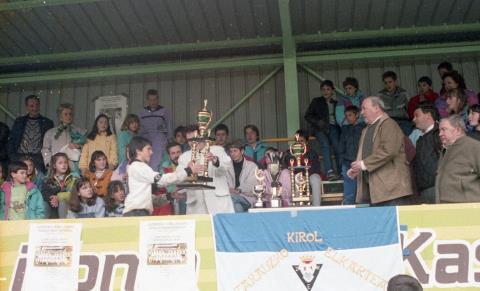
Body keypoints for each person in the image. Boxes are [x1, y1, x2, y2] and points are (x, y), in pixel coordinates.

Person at [348, 96, 413, 206]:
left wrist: (364, 164)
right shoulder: (366, 130)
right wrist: (358, 168)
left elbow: (389, 150)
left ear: (376, 108)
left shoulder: (389, 124)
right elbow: (366, 155)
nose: (362, 113)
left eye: (364, 108)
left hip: (392, 191)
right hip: (376, 192)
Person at [124, 136, 199, 216]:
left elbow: (148, 198)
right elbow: (162, 180)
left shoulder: (136, 167)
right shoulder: (138, 166)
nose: (151, 152)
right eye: (148, 149)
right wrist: (188, 171)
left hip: (138, 212)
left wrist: (169, 196)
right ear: (138, 151)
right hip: (136, 213)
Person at [176, 125, 235, 215]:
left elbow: (226, 167)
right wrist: (187, 171)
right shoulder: (184, 157)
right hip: (196, 207)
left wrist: (215, 160)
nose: (193, 142)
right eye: (189, 140)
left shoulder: (217, 150)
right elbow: (179, 180)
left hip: (219, 203)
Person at [436, 115, 480, 203]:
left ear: (457, 130)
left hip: (467, 206)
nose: (440, 134)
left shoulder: (474, 146)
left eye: (444, 129)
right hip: (446, 206)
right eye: (439, 130)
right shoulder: (446, 149)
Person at [304, 80, 341, 180]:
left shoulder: (336, 103)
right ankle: (329, 171)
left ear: (332, 91)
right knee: (325, 145)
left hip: (333, 127)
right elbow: (307, 115)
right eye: (323, 89)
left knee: (337, 147)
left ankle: (341, 171)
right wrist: (318, 122)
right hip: (319, 128)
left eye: (328, 89)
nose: (325, 91)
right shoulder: (316, 101)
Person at [8, 95, 54, 172]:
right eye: (31, 106)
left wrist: (45, 159)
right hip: (20, 156)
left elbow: (50, 143)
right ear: (26, 107)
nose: (35, 108)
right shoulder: (19, 121)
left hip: (38, 158)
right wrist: (13, 156)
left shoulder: (47, 123)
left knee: (40, 180)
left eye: (36, 105)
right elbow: (12, 140)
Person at [42, 103, 86, 173]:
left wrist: (78, 146)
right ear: (60, 117)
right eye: (65, 114)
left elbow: (87, 147)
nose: (69, 116)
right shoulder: (50, 133)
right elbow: (45, 149)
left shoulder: (80, 132)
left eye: (70, 114)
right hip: (56, 169)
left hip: (75, 168)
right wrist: (49, 163)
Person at [412, 102, 442, 204]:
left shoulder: (440, 134)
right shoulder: (420, 139)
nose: (414, 119)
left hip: (438, 188)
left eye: (417, 115)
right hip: (425, 190)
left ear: (429, 116)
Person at [284, 129, 323, 206]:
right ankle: (297, 209)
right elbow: (287, 167)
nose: (299, 143)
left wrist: (305, 176)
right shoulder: (289, 152)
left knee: (316, 178)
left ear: (306, 142)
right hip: (294, 177)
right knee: (292, 180)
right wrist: (298, 176)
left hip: (309, 176)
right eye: (297, 140)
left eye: (301, 141)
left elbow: (316, 169)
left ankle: (316, 207)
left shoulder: (312, 153)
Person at [338, 106, 365, 205]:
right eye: (346, 116)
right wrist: (341, 163)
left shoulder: (364, 128)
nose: (348, 118)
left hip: (361, 163)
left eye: (350, 115)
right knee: (349, 194)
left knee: (363, 193)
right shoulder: (345, 129)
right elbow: (341, 146)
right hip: (347, 163)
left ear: (357, 115)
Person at [138, 89, 171, 170]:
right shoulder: (142, 112)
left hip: (159, 140)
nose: (153, 102)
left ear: (158, 99)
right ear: (147, 100)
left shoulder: (164, 111)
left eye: (155, 99)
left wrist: (169, 141)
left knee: (157, 161)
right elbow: (139, 128)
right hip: (145, 139)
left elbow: (169, 126)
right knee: (145, 160)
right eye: (151, 100)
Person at [42, 153, 78, 218]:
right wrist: (53, 199)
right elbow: (44, 193)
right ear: (54, 166)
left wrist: (58, 197)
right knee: (44, 204)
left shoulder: (74, 177)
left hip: (70, 205)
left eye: (65, 162)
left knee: (62, 202)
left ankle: (64, 224)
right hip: (54, 206)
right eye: (60, 163)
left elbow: (75, 193)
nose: (64, 165)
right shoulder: (48, 179)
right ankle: (44, 225)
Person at [226, 140, 258, 212]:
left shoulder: (252, 166)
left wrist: (238, 190)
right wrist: (228, 190)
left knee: (231, 198)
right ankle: (241, 222)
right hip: (232, 197)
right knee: (237, 206)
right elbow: (223, 183)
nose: (233, 154)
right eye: (231, 151)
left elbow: (252, 184)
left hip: (247, 198)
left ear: (242, 151)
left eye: (235, 151)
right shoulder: (226, 166)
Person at [378, 71, 412, 136]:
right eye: (385, 83)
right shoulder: (380, 95)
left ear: (395, 82)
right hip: (388, 122)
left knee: (407, 140)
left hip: (403, 122)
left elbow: (410, 110)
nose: (388, 85)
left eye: (390, 82)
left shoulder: (404, 94)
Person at [159, 142, 186, 215]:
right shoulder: (164, 167)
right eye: (173, 153)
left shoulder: (188, 164)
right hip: (173, 199)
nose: (177, 155)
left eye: (178, 152)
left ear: (183, 153)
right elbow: (161, 186)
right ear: (169, 156)